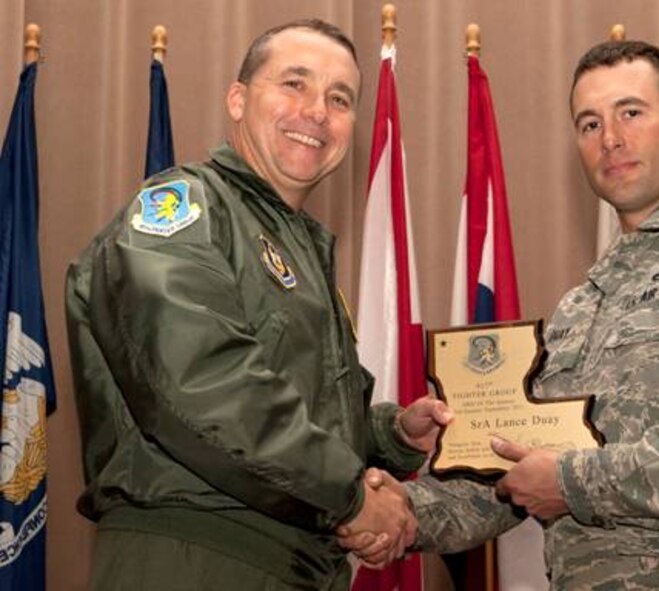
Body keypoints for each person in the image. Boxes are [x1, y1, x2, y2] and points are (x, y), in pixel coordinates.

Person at [340, 40, 659, 589]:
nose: (611, 139)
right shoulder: (580, 307)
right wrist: (398, 510)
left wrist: (571, 483)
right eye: (589, 124)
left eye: (632, 113)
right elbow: (512, 472)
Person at [65, 19, 450, 591]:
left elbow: (293, 405)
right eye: (294, 84)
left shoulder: (299, 247)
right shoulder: (183, 209)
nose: (317, 111)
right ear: (238, 100)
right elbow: (200, 384)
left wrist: (390, 434)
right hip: (195, 558)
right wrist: (350, 497)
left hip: (292, 562)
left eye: (339, 98)